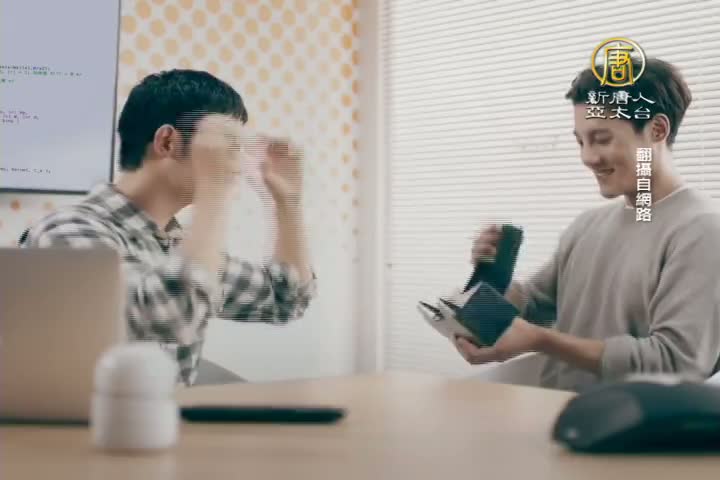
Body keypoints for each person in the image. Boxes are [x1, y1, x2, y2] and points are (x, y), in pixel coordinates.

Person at [19, 69, 316, 386]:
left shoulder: (176, 245)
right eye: (227, 146)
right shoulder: (66, 233)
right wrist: (213, 189)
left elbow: (286, 300)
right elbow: (170, 314)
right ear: (167, 141)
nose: (237, 165)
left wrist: (289, 202)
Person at [454, 58, 720, 391]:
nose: (588, 158)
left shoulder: (703, 231)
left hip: (631, 423)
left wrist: (542, 340)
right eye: (581, 142)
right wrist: (490, 275)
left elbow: (677, 363)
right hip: (554, 414)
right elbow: (529, 305)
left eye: (602, 139)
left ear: (657, 130)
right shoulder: (588, 225)